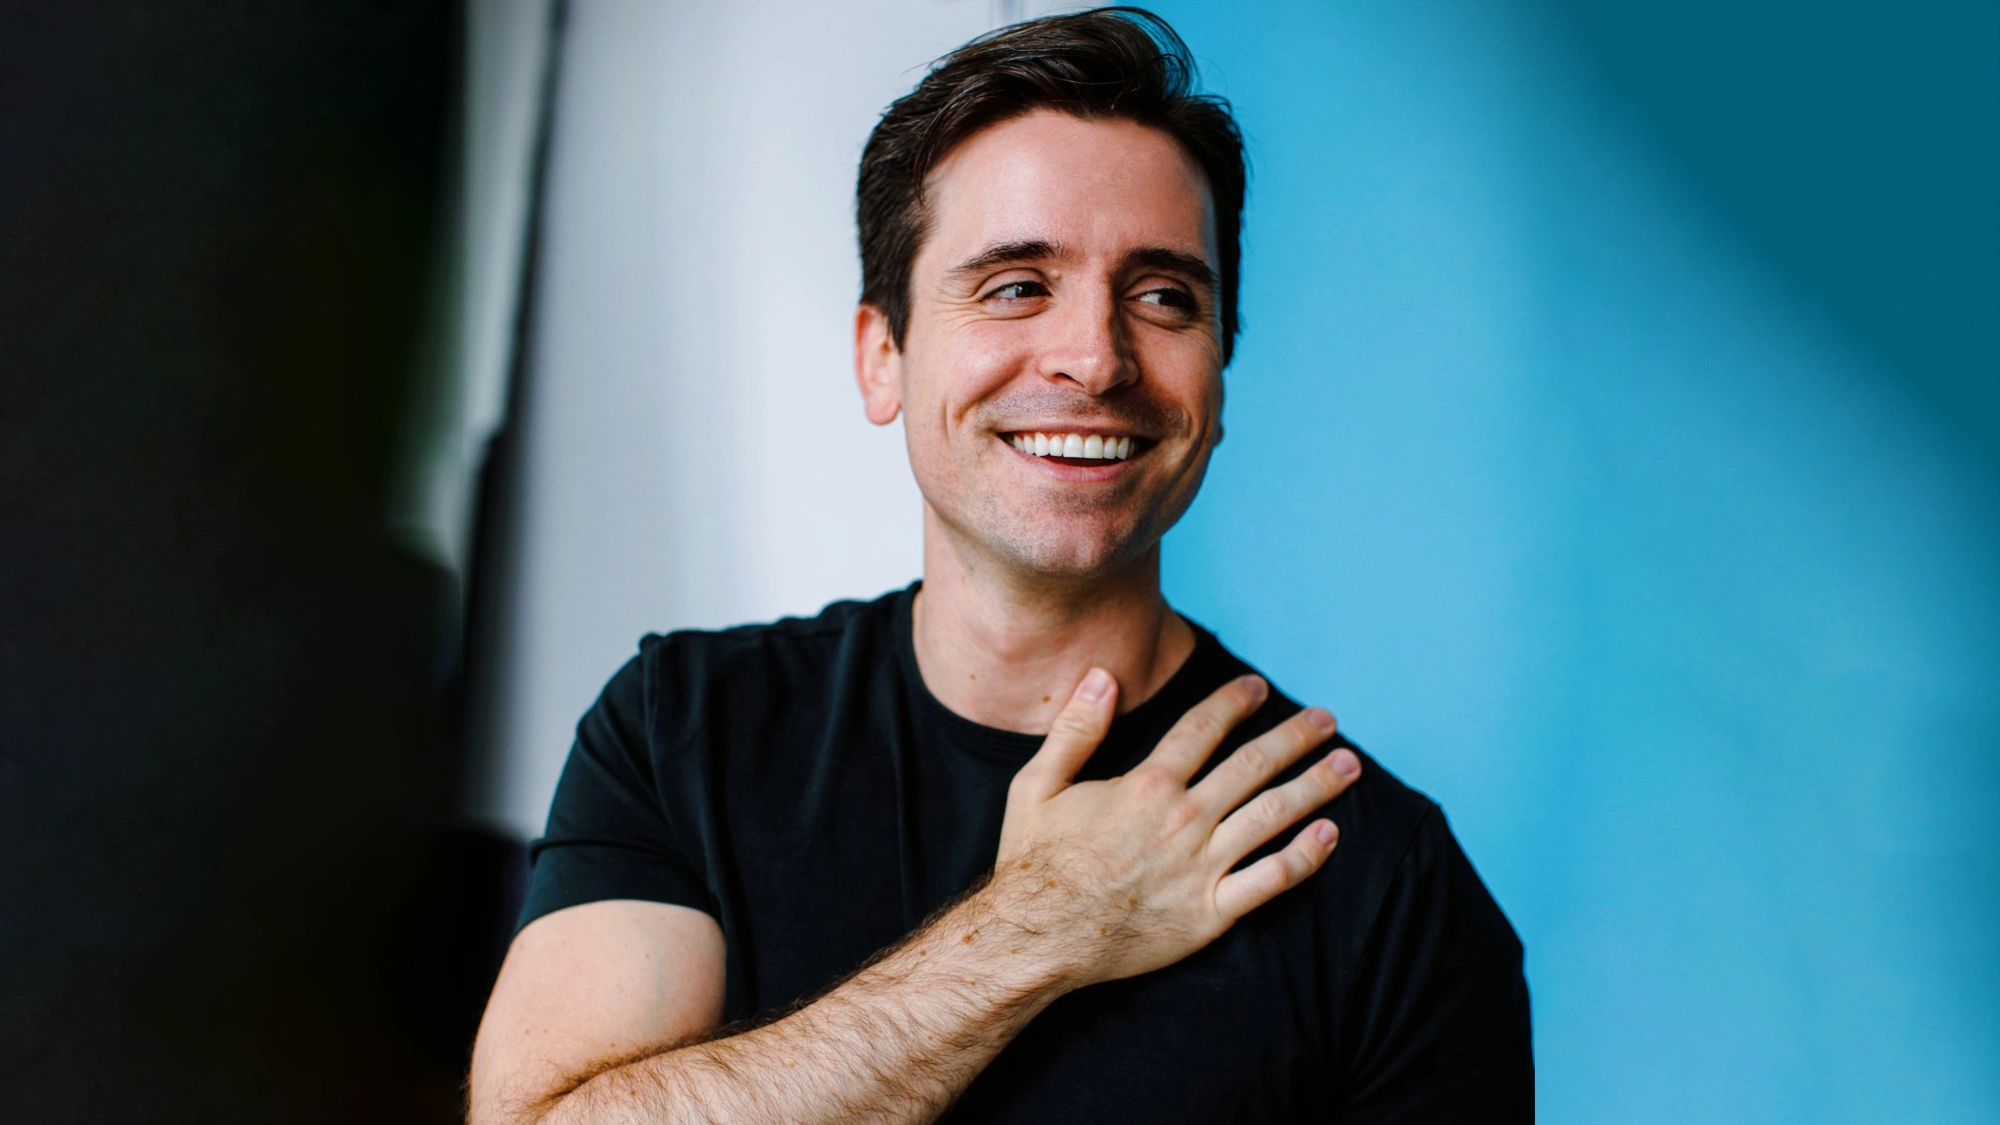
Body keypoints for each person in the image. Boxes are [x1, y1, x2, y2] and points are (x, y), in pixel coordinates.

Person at [468, 9, 1532, 1123]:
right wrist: (1036, 927)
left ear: (1217, 376)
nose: (1093, 358)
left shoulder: (1377, 878)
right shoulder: (681, 730)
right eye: (1016, 284)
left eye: (1164, 295)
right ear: (882, 359)